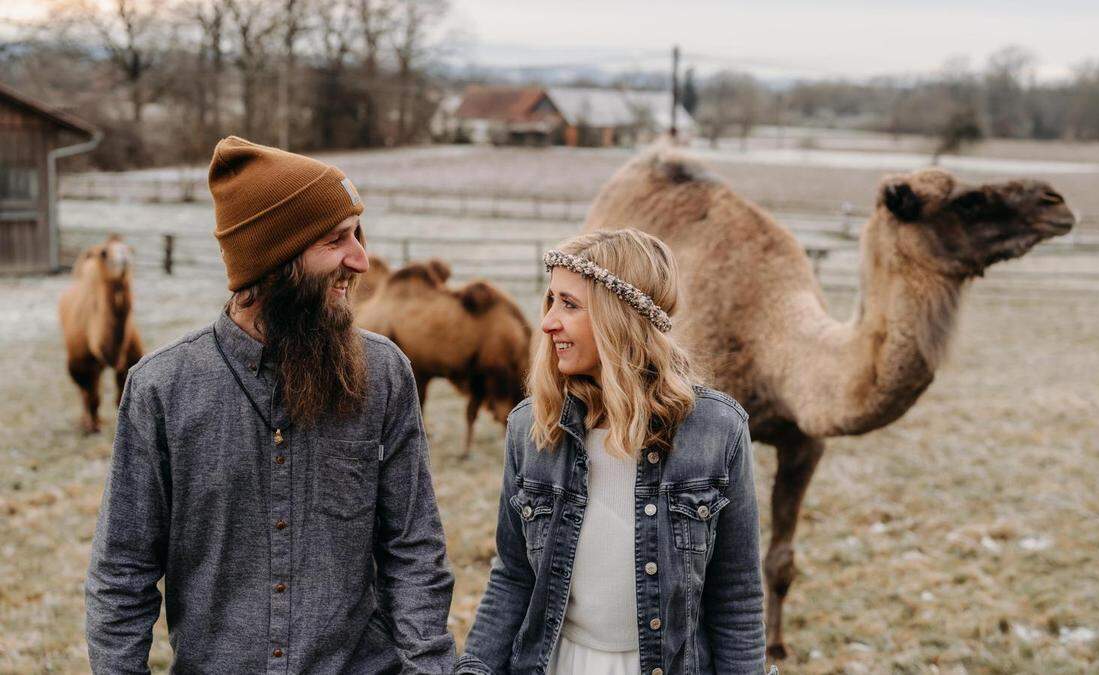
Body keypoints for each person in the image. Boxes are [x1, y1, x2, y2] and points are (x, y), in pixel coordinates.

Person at [85, 136, 456, 673]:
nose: (361, 259)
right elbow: (122, 574)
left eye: (358, 235)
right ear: (274, 260)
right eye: (337, 240)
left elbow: (415, 552)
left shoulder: (385, 373)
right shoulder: (162, 390)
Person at [456, 229, 771, 674]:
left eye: (569, 304)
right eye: (550, 301)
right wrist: (474, 668)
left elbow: (736, 595)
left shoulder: (717, 432)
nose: (547, 322)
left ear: (617, 317)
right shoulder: (531, 427)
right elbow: (513, 576)